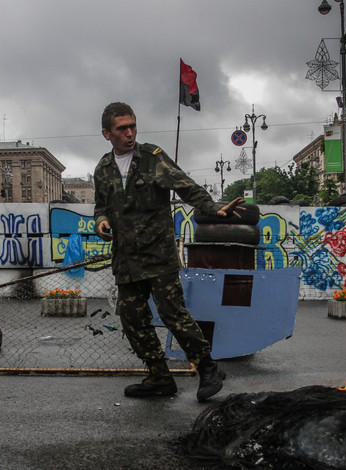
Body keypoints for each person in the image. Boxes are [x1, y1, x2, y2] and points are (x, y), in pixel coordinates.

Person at [93, 102, 244, 402]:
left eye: (133, 126)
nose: (130, 133)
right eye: (122, 128)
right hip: (126, 259)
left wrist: (212, 208)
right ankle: (159, 377)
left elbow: (185, 186)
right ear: (106, 133)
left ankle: (208, 368)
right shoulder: (103, 169)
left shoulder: (152, 158)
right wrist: (101, 221)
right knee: (133, 320)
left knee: (174, 315)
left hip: (158, 255)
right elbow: (100, 206)